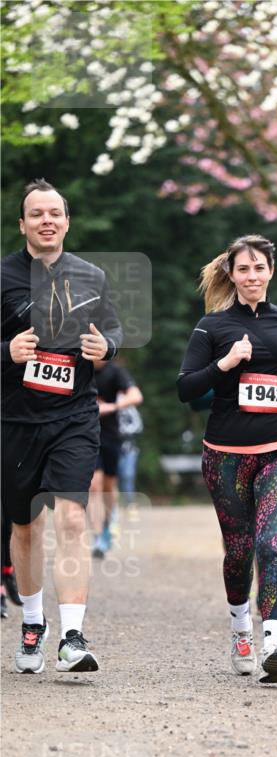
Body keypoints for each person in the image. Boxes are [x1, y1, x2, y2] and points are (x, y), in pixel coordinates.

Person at [177, 234, 277, 684]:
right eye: (243, 269)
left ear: (270, 272)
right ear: (232, 274)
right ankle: (241, 626)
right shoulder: (212, 326)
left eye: (259, 268)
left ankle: (273, 644)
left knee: (272, 545)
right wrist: (225, 364)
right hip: (225, 453)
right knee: (239, 551)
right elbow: (186, 388)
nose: (252, 276)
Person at [1, 179, 123, 673]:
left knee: (72, 519)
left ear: (67, 222)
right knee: (25, 527)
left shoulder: (91, 277)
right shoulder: (3, 276)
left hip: (73, 416)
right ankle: (33, 625)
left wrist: (107, 348)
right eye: (37, 214)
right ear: (23, 224)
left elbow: (112, 329)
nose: (46, 220)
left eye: (55, 213)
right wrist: (6, 352)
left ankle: (72, 635)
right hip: (13, 420)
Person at [90, 359, 143, 556]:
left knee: (108, 487)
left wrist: (111, 406)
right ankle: (97, 537)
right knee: (93, 486)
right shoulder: (80, 368)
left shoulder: (115, 372)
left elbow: (136, 396)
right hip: (86, 436)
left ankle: (107, 524)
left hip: (111, 437)